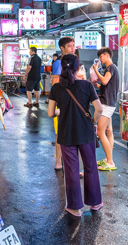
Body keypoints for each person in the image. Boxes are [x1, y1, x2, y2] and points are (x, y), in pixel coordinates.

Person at [48, 53, 103, 217]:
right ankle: (95, 202)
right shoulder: (86, 85)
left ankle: (74, 207)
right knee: (90, 167)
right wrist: (92, 119)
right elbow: (99, 108)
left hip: (66, 134)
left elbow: (51, 112)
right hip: (86, 132)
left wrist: (62, 110)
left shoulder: (56, 88)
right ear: (78, 68)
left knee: (71, 170)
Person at [92, 47, 120, 171]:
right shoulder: (111, 69)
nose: (100, 59)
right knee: (108, 131)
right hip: (109, 102)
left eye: (101, 56)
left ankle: (110, 161)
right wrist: (95, 84)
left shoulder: (111, 68)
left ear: (107, 55)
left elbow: (104, 81)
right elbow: (106, 85)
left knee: (100, 132)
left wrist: (95, 70)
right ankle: (109, 159)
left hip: (107, 104)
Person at [51, 37, 75, 171]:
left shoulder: (75, 61)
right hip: (62, 103)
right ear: (62, 48)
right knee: (61, 133)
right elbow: (55, 83)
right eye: (70, 46)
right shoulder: (58, 63)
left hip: (74, 102)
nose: (73, 48)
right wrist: (57, 104)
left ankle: (74, 165)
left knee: (75, 133)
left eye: (73, 46)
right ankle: (59, 161)